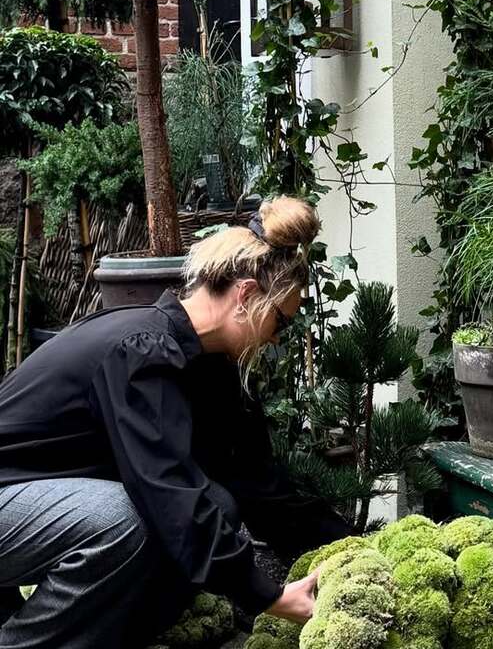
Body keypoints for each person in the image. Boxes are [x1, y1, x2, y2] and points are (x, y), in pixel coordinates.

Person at [0, 195, 349, 649]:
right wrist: (268, 595)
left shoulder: (203, 364)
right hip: (9, 498)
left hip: (31, 503)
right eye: (281, 320)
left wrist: (350, 548)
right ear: (245, 296)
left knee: (218, 505)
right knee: (126, 519)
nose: (277, 336)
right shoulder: (140, 350)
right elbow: (166, 490)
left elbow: (257, 485)